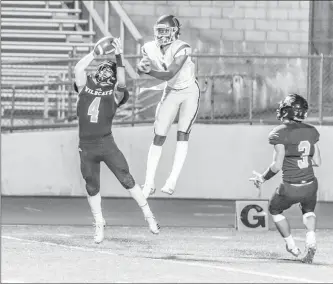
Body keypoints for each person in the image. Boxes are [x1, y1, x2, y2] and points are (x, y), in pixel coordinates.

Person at [74, 37, 160, 244]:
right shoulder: (85, 87)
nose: (104, 71)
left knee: (126, 179)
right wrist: (95, 53)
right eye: (102, 68)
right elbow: (78, 68)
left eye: (108, 70)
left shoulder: (114, 93)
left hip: (105, 143)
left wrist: (118, 57)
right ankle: (99, 222)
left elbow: (122, 82)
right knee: (91, 185)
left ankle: (149, 215)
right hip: (86, 145)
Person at [249, 94, 321, 264]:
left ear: (286, 111)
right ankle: (310, 237)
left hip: (290, 186)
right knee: (308, 211)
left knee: (274, 209)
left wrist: (262, 178)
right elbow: (317, 161)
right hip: (311, 184)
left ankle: (291, 245)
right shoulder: (312, 131)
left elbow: (277, 166)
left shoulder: (279, 133)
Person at [136, 15, 200, 198]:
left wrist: (149, 70)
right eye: (159, 30)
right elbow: (144, 69)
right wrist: (142, 67)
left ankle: (172, 179)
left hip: (188, 91)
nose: (161, 35)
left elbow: (169, 73)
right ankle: (148, 182)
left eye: (165, 31)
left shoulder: (182, 47)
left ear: (174, 32)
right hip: (171, 90)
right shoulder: (148, 47)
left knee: (182, 135)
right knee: (158, 135)